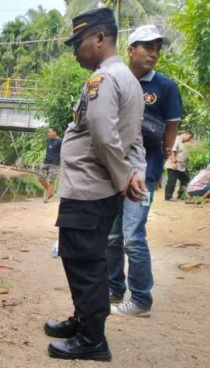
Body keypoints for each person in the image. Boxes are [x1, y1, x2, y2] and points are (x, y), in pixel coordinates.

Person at [44, 8, 147, 362]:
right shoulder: (129, 79)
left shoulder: (103, 80)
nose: (75, 50)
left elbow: (104, 135)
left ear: (100, 39)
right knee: (85, 257)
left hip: (89, 189)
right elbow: (134, 140)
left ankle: (92, 340)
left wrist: (122, 179)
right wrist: (134, 173)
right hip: (99, 189)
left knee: (82, 259)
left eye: (79, 42)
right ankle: (83, 319)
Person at [107, 25, 182, 318]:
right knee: (112, 236)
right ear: (130, 49)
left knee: (133, 235)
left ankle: (141, 299)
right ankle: (114, 289)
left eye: (157, 48)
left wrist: (161, 160)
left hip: (144, 171)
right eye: (147, 47)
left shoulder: (165, 87)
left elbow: (172, 125)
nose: (153, 53)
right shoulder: (117, 78)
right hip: (114, 171)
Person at [164, 131, 194, 201]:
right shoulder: (176, 139)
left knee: (186, 180)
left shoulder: (182, 142)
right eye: (189, 138)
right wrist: (174, 162)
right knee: (172, 181)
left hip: (181, 167)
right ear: (186, 134)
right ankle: (168, 197)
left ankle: (181, 195)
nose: (189, 140)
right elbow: (173, 151)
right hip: (174, 165)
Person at [38, 127, 62, 202]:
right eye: (48, 132)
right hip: (45, 162)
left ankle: (46, 198)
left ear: (55, 132)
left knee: (51, 181)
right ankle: (50, 192)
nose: (48, 133)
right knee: (40, 179)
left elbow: (63, 151)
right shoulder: (48, 140)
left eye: (49, 132)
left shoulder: (60, 141)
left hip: (54, 164)